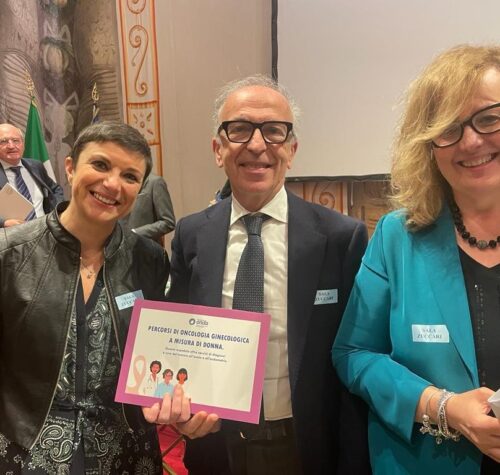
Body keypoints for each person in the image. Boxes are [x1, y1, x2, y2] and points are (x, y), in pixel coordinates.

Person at [166, 75, 370, 474]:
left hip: (308, 448)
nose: (257, 145)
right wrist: (181, 405)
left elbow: (357, 353)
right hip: (216, 446)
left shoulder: (341, 237)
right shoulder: (190, 234)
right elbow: (178, 340)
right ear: (218, 150)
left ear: (291, 150)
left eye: (274, 131)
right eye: (240, 129)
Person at [332, 44, 500, 475]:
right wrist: (443, 408)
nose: (472, 141)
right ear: (428, 146)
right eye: (449, 128)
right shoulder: (397, 236)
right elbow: (354, 353)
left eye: (489, 118)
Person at [0, 121, 170, 473]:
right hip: (26, 450)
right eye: (101, 164)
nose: (112, 184)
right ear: (70, 167)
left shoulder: (150, 260)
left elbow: (159, 354)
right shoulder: (10, 254)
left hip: (127, 452)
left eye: (130, 176)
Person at [0, 123, 64, 227]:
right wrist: (3, 223)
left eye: (16, 141)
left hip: (45, 230)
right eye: (3, 141)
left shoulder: (35, 166)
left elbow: (55, 189)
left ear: (23, 144)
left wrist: (56, 212)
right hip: (14, 234)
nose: (11, 146)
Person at [121, 172, 176, 244]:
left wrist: (135, 233)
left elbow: (168, 222)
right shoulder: (116, 181)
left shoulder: (155, 182)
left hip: (143, 247)